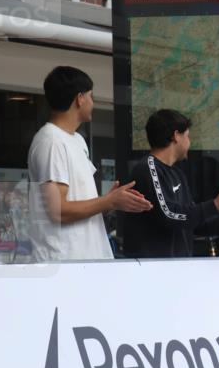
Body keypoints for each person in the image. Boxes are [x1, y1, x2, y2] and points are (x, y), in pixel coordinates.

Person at [27, 66, 152, 262]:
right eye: (91, 96)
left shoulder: (76, 140)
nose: (93, 103)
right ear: (80, 98)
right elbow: (58, 210)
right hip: (64, 263)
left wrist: (110, 202)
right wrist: (108, 201)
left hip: (87, 260)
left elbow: (77, 202)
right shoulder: (51, 141)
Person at [123, 109, 219, 258]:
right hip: (154, 271)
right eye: (188, 136)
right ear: (176, 136)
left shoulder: (177, 173)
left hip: (179, 268)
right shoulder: (148, 168)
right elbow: (169, 215)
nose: (189, 142)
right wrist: (214, 206)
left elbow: (191, 220)